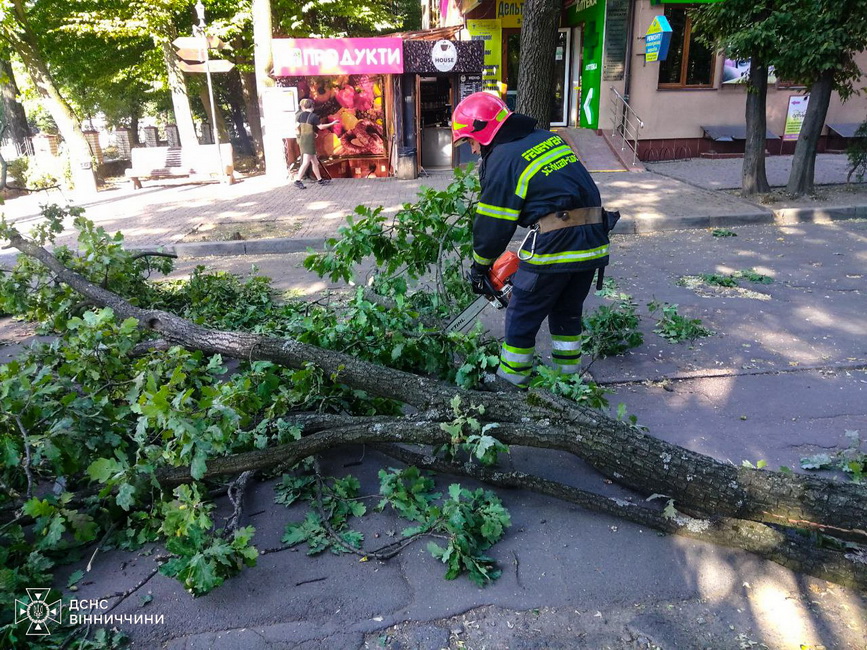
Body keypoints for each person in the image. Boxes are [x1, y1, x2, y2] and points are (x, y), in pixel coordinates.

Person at [451, 92, 611, 388]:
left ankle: (510, 384)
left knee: (522, 312)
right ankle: (569, 383)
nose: (473, 151)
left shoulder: (503, 158)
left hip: (558, 243)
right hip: (594, 239)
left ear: (482, 132)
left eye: (470, 142)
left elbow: (493, 224)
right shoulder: (545, 138)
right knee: (566, 311)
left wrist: (479, 267)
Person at [294, 98, 338, 189]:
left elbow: (297, 127)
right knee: (306, 162)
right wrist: (332, 123)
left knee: (314, 161)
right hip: (309, 141)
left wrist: (301, 136)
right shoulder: (314, 116)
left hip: (303, 139)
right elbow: (321, 127)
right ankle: (298, 180)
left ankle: (320, 180)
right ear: (312, 107)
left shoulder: (300, 115)